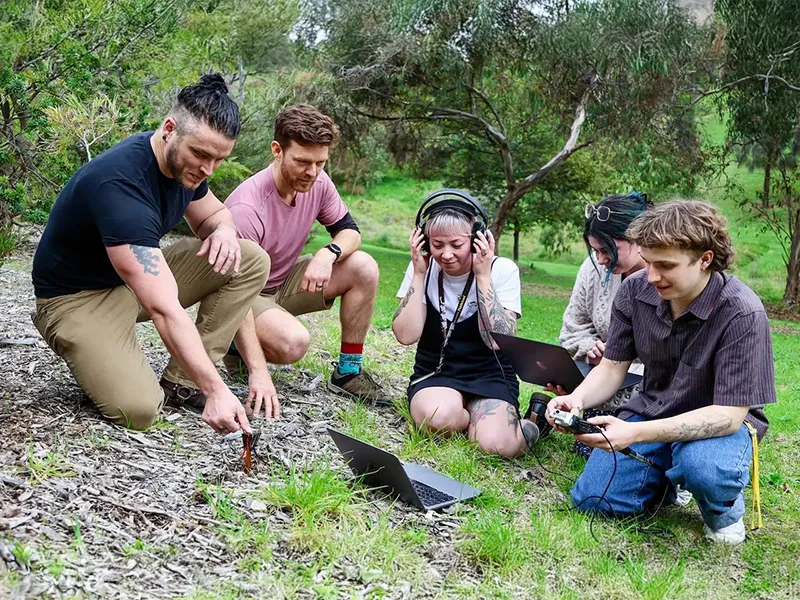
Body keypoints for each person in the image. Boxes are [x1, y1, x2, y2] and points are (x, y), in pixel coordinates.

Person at [31, 74, 272, 435]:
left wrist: (223, 229)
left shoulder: (184, 168)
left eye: (219, 159)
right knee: (138, 410)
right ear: (169, 129)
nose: (208, 169)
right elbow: (164, 309)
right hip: (76, 301)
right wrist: (217, 390)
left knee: (250, 258)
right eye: (202, 155)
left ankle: (181, 382)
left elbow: (215, 214)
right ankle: (193, 381)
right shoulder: (121, 184)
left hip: (129, 281)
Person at [546, 200, 776, 544]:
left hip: (721, 425)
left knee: (704, 467)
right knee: (595, 499)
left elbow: (728, 416)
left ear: (705, 259)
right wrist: (576, 400)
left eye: (666, 266)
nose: (652, 276)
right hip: (654, 407)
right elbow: (611, 368)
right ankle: (667, 481)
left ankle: (723, 511)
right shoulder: (636, 290)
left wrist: (635, 435)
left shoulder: (742, 312)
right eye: (649, 262)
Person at [224, 104, 386, 406]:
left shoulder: (318, 183)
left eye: (320, 163)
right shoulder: (247, 208)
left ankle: (348, 372)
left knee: (363, 265)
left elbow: (350, 231)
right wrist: (259, 371)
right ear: (277, 150)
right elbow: (231, 291)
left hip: (282, 284)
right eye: (302, 161)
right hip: (243, 295)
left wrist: (329, 253)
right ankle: (235, 348)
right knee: (293, 344)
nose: (312, 172)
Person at [392, 192, 537, 458]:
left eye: (456, 244)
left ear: (476, 240)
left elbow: (497, 340)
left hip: (490, 375)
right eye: (437, 245)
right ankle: (470, 417)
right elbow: (405, 334)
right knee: (438, 420)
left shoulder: (502, 270)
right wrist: (419, 274)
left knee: (494, 446)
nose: (446, 255)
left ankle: (529, 427)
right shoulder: (423, 269)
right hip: (436, 373)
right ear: (424, 242)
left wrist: (483, 276)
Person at [553, 193, 650, 457]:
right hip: (601, 376)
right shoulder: (592, 269)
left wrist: (619, 356)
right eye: (594, 250)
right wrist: (589, 347)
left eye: (606, 250)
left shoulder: (663, 279)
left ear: (637, 239)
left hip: (647, 386)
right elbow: (573, 326)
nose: (600, 259)